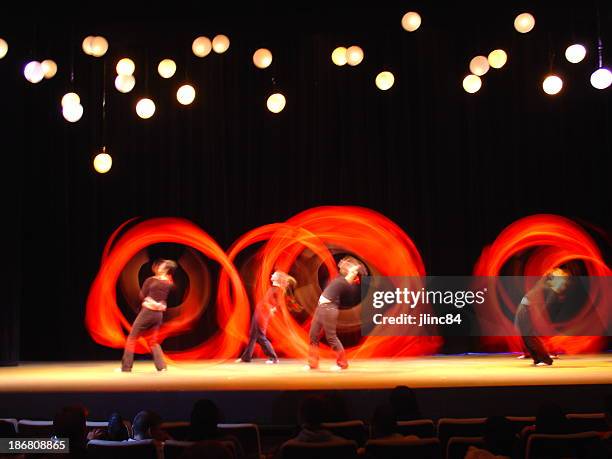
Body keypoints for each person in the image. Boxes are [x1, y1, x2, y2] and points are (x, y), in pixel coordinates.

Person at [307, 256, 366, 370]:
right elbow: (341, 266)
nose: (345, 265)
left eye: (349, 267)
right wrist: (345, 264)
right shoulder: (340, 277)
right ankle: (313, 363)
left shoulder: (347, 281)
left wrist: (355, 268)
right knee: (313, 335)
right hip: (320, 308)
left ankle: (343, 363)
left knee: (331, 337)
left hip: (329, 309)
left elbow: (352, 274)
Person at [120, 259, 177, 372]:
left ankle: (126, 367)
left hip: (147, 313)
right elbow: (163, 297)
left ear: (164, 269)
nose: (157, 266)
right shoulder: (169, 283)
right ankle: (162, 367)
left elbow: (142, 295)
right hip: (158, 315)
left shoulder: (150, 280)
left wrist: (146, 301)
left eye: (160, 265)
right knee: (153, 341)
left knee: (131, 338)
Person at [236, 270, 299, 364]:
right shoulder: (274, 288)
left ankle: (273, 358)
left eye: (275, 274)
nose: (272, 275)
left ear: (278, 278)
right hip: (260, 311)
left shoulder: (278, 289)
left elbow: (277, 302)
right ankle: (246, 357)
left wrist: (270, 309)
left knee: (260, 336)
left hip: (263, 313)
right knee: (253, 335)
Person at [514, 268, 570, 366]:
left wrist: (539, 316)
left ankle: (545, 359)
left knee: (529, 336)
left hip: (528, 308)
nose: (553, 275)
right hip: (524, 306)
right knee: (526, 336)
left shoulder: (552, 290)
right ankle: (537, 359)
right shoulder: (546, 284)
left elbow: (546, 307)